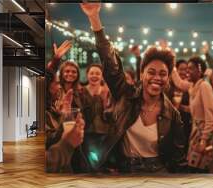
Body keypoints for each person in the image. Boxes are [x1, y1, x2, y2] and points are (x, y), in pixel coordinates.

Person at [80, 3, 186, 173]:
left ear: (168, 78)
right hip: (123, 170)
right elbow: (111, 64)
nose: (157, 78)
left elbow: (179, 160)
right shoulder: (126, 95)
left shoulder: (173, 116)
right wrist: (94, 18)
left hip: (158, 173)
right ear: (142, 74)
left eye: (162, 73)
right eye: (151, 72)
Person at [171, 57, 213, 172]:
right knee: (195, 166)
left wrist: (204, 139)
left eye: (191, 69)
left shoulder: (204, 86)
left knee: (197, 168)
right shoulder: (193, 86)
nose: (187, 71)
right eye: (187, 69)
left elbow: (211, 116)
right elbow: (179, 82)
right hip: (196, 131)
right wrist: (171, 63)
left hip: (206, 132)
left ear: (200, 70)